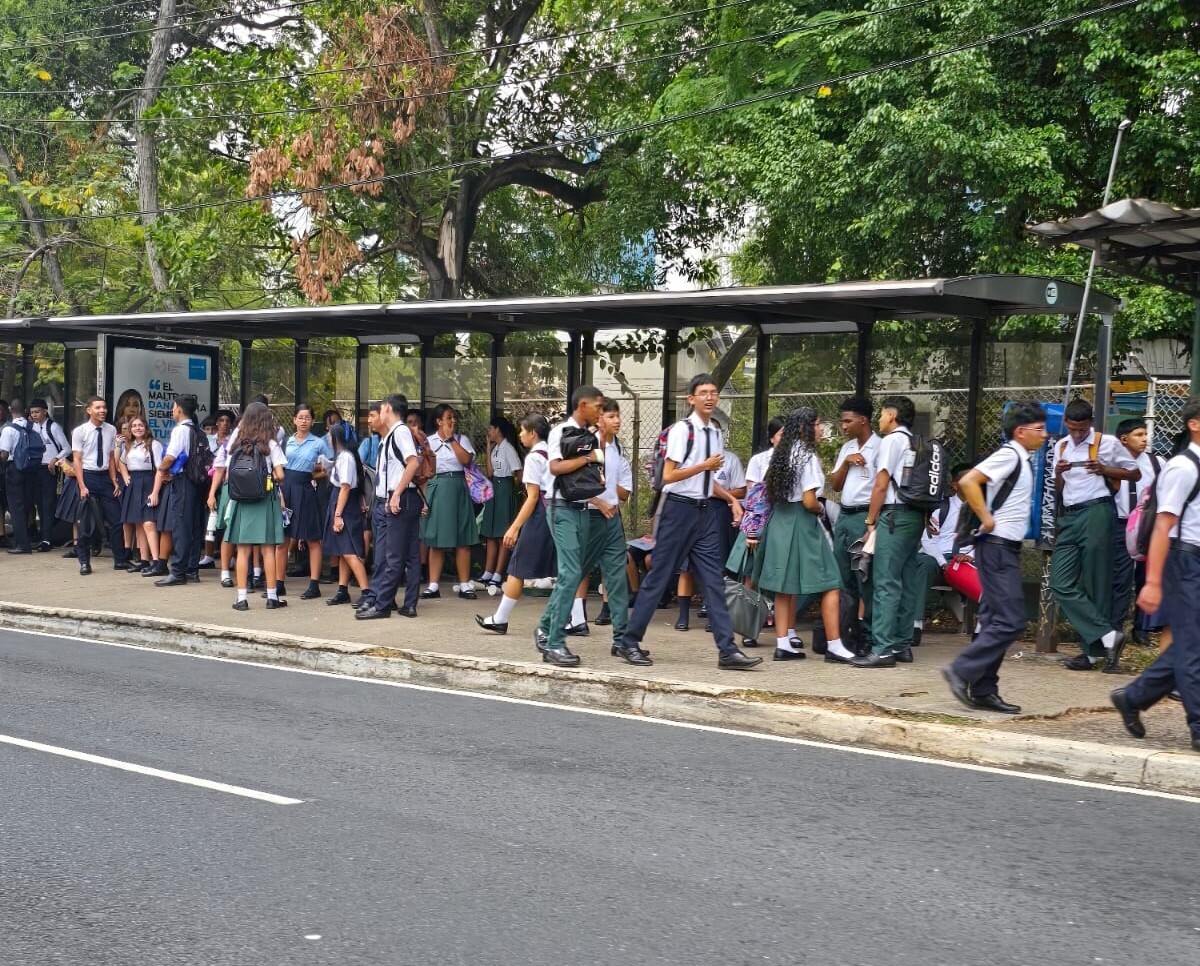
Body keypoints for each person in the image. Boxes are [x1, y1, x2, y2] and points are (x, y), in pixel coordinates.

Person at [618, 374, 761, 670]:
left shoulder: (715, 433)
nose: (710, 397)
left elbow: (707, 480)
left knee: (713, 580)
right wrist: (704, 465)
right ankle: (629, 642)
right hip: (677, 510)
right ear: (691, 399)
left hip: (705, 512)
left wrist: (732, 500)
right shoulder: (683, 431)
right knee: (659, 576)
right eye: (703, 392)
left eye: (713, 392)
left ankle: (727, 650)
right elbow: (668, 475)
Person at [941, 403, 1048, 714]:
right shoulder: (1010, 454)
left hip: (1004, 548)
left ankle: (984, 690)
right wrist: (986, 518)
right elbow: (968, 481)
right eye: (1039, 429)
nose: (1044, 435)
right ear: (1020, 432)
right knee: (1011, 620)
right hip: (997, 547)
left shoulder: (1022, 458)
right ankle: (961, 669)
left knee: (992, 621)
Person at [1110, 395, 1200, 750]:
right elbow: (1163, 527)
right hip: (1185, 561)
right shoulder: (1183, 468)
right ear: (1194, 424)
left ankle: (1133, 697)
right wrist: (1152, 582)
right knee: (1191, 647)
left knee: (1191, 644)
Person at [751, 407, 854, 664]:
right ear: (804, 428)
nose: (820, 429)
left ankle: (783, 645)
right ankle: (835, 645)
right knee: (831, 582)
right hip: (802, 522)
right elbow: (809, 500)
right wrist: (820, 509)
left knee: (784, 587)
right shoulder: (807, 456)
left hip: (779, 522)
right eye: (817, 424)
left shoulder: (780, 454)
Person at [1051, 399, 1140, 672]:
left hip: (1097, 512)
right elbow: (1058, 487)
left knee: (1095, 583)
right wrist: (1059, 473)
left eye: (1082, 429)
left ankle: (1092, 655)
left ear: (1090, 423)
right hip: (1069, 515)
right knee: (1060, 583)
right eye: (1072, 428)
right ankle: (1109, 636)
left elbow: (1134, 473)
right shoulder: (1061, 446)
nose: (1077, 434)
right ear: (1066, 423)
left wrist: (1104, 469)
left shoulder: (1107, 443)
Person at [533, 386, 609, 666]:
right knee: (570, 572)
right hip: (561, 508)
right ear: (583, 405)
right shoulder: (560, 432)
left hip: (581, 508)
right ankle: (555, 643)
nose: (600, 411)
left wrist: (600, 448)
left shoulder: (589, 436)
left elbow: (594, 470)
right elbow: (555, 467)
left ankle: (544, 627)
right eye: (597, 406)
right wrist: (588, 458)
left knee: (572, 574)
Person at [853, 395, 925, 668]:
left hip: (894, 516)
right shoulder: (915, 442)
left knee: (885, 582)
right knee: (905, 579)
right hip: (914, 516)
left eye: (882, 414)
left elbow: (881, 485)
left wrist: (870, 520)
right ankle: (902, 645)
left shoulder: (892, 441)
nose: (880, 419)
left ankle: (882, 649)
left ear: (892, 415)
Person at [476, 414, 556, 634]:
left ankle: (500, 618)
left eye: (522, 431)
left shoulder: (534, 457)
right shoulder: (553, 453)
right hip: (558, 513)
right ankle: (575, 618)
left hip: (540, 515)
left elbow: (533, 497)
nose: (520, 435)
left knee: (517, 567)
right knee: (567, 569)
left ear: (533, 433)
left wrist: (514, 527)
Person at [565, 398, 633, 649]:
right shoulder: (584, 444)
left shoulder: (617, 450)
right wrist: (598, 500)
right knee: (574, 573)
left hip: (611, 519)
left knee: (616, 576)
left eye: (618, 415)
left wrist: (609, 496)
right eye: (611, 416)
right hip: (588, 516)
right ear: (598, 419)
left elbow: (624, 490)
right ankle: (554, 625)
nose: (617, 420)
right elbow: (572, 484)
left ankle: (622, 640)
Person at [356, 393, 422, 621]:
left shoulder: (400, 431)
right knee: (410, 555)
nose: (378, 412)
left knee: (393, 556)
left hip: (399, 498)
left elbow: (413, 462)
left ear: (388, 408)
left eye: (381, 408)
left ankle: (382, 605)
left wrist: (397, 494)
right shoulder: (392, 435)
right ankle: (409, 604)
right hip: (402, 497)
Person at [222, 401, 289, 610]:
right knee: (268, 550)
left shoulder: (236, 444)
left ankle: (241, 599)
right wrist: (271, 478)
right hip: (264, 500)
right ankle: (272, 597)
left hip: (242, 501)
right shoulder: (270, 444)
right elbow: (280, 475)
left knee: (243, 551)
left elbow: (227, 474)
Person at [828, 395, 881, 652]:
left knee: (864, 577)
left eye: (848, 421)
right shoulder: (847, 448)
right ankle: (846, 634)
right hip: (845, 516)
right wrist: (847, 463)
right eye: (842, 421)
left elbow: (882, 488)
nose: (844, 426)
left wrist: (872, 523)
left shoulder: (880, 447)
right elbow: (835, 485)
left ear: (863, 420)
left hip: (864, 518)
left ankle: (868, 636)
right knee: (842, 577)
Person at [907, 464, 972, 646]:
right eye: (967, 479)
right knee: (924, 564)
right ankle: (915, 625)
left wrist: (971, 555)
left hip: (966, 559)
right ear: (955, 485)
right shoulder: (942, 507)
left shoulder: (982, 508)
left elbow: (984, 537)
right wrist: (944, 563)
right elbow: (928, 541)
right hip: (939, 558)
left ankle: (983, 628)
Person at [420, 403, 480, 600]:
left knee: (463, 538)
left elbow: (466, 461)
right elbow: (424, 471)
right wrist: (423, 499)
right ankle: (433, 585)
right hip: (437, 487)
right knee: (436, 538)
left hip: (458, 487)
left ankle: (464, 584)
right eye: (448, 417)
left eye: (454, 417)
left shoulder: (462, 440)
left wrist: (451, 440)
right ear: (439, 421)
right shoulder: (428, 441)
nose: (453, 421)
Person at [1111, 417, 1161, 644]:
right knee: (1120, 578)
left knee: (1145, 576)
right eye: (1138, 435)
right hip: (1121, 524)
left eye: (1145, 434)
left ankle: (1141, 629)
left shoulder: (1156, 462)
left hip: (1146, 526)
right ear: (1124, 439)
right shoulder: (1111, 462)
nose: (1144, 439)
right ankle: (1115, 628)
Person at [149, 394, 207, 586]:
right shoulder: (198, 430)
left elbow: (171, 456)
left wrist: (161, 469)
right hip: (198, 482)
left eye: (174, 408)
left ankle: (178, 572)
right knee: (195, 526)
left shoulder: (180, 430)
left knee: (181, 526)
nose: (172, 411)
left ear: (179, 409)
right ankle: (192, 569)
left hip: (183, 482)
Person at [71, 395, 129, 575]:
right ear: (89, 410)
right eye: (98, 408)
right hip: (88, 476)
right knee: (86, 523)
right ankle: (84, 562)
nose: (102, 410)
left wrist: (114, 480)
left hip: (105, 478)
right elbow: (77, 460)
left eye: (104, 407)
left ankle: (120, 560)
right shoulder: (80, 431)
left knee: (116, 520)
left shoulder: (110, 429)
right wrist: (82, 486)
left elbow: (111, 457)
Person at [279, 403, 327, 600]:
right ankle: (278, 583)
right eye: (300, 417)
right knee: (282, 538)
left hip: (306, 490)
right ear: (294, 420)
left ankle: (314, 585)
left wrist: (313, 476)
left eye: (307, 417)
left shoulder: (319, 443)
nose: (304, 421)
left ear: (313, 421)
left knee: (312, 539)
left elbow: (331, 466)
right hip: (285, 489)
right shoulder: (285, 442)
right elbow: (277, 466)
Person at [321, 423, 371, 605]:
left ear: (336, 438)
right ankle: (343, 590)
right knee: (343, 551)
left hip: (344, 505)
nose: (328, 438)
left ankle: (366, 591)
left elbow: (345, 487)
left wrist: (337, 515)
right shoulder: (345, 456)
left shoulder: (346, 457)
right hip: (344, 503)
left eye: (330, 434)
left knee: (349, 551)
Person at [479, 414, 523, 594]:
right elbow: (490, 472)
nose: (489, 432)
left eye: (491, 428)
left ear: (498, 430)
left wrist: (513, 490)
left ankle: (498, 574)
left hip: (505, 487)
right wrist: (488, 447)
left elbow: (518, 472)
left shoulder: (508, 448)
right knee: (490, 533)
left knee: (501, 534)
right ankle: (488, 572)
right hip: (494, 487)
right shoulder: (496, 448)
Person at [119, 416, 165, 575]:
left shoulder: (154, 444)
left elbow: (160, 469)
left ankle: (157, 561)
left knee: (149, 523)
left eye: (140, 425)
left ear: (146, 427)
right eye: (134, 426)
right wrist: (125, 475)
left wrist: (155, 492)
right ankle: (144, 560)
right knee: (138, 523)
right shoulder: (129, 445)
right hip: (134, 482)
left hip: (149, 481)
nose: (137, 428)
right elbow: (121, 462)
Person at [26, 398, 69, 551]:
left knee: (48, 504)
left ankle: (47, 539)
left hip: (50, 469)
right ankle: (43, 536)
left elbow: (67, 448)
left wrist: (55, 459)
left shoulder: (54, 427)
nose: (34, 415)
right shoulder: (32, 427)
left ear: (45, 411)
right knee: (39, 503)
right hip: (35, 468)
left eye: (37, 412)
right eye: (32, 412)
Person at [0, 400, 38, 554]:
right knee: (27, 505)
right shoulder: (34, 426)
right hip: (32, 470)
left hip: (14, 470)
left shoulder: (8, 429)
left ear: (10, 409)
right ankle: (28, 538)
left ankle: (22, 544)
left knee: (16, 508)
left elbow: (4, 454)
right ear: (26, 410)